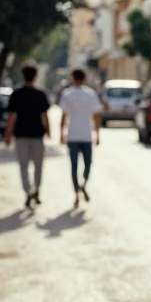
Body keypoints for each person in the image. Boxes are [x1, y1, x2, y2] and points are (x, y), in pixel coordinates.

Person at [5, 64, 51, 208]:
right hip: (37, 135)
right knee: (38, 165)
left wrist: (8, 134)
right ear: (35, 76)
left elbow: (12, 116)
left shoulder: (17, 94)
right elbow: (45, 115)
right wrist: (49, 131)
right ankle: (36, 189)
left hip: (21, 135)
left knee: (23, 166)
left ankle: (28, 191)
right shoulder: (40, 93)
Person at [58, 68, 103, 207]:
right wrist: (98, 134)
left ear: (72, 77)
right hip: (86, 135)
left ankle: (77, 190)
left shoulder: (67, 94)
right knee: (87, 163)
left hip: (73, 135)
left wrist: (61, 133)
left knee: (74, 166)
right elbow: (96, 116)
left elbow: (64, 116)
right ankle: (83, 184)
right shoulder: (91, 94)